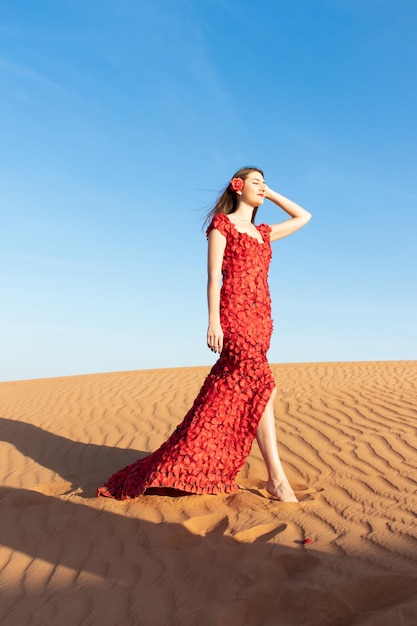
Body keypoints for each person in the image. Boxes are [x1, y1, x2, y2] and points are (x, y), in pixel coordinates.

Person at [97, 167, 311, 502]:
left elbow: (304, 216)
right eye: (256, 182)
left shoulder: (263, 233)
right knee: (260, 381)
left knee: (260, 385)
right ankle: (277, 478)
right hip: (235, 315)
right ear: (237, 187)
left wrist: (270, 193)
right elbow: (213, 277)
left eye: (265, 184)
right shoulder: (221, 225)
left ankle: (271, 475)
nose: (262, 188)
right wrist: (214, 322)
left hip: (262, 319)